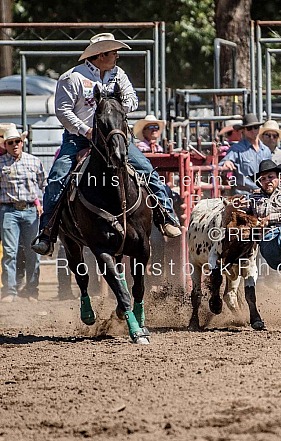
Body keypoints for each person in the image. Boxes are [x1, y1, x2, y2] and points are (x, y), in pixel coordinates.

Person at [32, 33, 181, 256]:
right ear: (100, 55)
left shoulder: (118, 74)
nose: (117, 56)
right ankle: (47, 231)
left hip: (114, 136)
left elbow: (132, 99)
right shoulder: (72, 78)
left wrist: (116, 106)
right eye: (113, 53)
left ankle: (166, 215)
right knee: (58, 177)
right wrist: (86, 130)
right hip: (79, 137)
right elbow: (63, 111)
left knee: (147, 171)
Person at [0, 126, 46, 302]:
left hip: (30, 211)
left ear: (22, 142)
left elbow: (43, 184)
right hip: (8, 209)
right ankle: (10, 291)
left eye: (17, 141)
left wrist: (39, 204)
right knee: (10, 251)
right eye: (10, 143)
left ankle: (32, 290)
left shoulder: (34, 161)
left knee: (33, 251)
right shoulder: (1, 163)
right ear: (6, 145)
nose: (14, 145)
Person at [219, 113, 272, 194]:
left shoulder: (266, 151)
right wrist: (227, 163)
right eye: (249, 128)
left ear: (259, 129)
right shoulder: (236, 149)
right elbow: (221, 166)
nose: (253, 130)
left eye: (256, 127)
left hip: (263, 194)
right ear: (243, 130)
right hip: (243, 197)